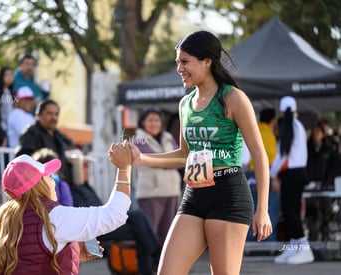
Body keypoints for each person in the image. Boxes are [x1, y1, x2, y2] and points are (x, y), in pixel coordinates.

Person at [129, 31, 272, 275]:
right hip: (194, 195)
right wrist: (141, 159)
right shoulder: (186, 103)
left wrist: (263, 209)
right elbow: (185, 154)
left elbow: (259, 154)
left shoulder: (232, 97)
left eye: (184, 62)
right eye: (177, 63)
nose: (179, 69)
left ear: (207, 61)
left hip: (228, 194)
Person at [0, 141, 132, 274]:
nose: (54, 182)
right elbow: (114, 214)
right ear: (39, 184)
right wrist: (124, 168)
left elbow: (28, 261)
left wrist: (72, 254)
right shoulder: (53, 216)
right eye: (49, 177)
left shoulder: (2, 219)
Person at [271, 96, 314, 265]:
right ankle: (294, 246)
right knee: (292, 211)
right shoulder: (299, 126)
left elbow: (282, 156)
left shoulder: (289, 127)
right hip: (299, 173)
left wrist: (272, 174)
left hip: (291, 174)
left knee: (290, 211)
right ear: (295, 108)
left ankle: (304, 248)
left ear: (281, 110)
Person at [132, 108, 181, 245]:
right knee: (150, 233)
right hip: (151, 193)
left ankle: (164, 265)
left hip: (171, 191)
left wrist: (168, 162)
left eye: (157, 120)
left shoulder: (168, 137)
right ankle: (149, 265)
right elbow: (151, 159)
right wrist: (172, 161)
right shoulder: (138, 140)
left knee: (168, 233)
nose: (154, 123)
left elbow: (181, 159)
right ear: (143, 123)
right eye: (150, 120)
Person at [16, 99, 76, 185]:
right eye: (49, 113)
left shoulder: (57, 134)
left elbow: (72, 145)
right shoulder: (31, 132)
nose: (53, 117)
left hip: (61, 184)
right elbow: (23, 159)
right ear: (38, 115)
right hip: (41, 186)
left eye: (56, 114)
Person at [246, 108, 280, 241]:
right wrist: (275, 177)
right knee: (268, 211)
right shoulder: (268, 134)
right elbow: (272, 158)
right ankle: (267, 243)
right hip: (267, 176)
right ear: (273, 121)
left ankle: (249, 243)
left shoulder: (253, 129)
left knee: (250, 211)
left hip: (250, 176)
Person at [0, 66, 15, 133]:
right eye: (7, 75)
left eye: (11, 75)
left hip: (8, 127)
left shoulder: (10, 92)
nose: (9, 78)